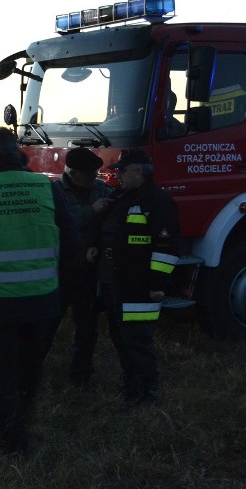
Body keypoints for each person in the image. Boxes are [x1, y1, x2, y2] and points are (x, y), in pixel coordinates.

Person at [0, 127, 78, 457]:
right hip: (43, 302)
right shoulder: (47, 188)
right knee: (30, 366)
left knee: (1, 371)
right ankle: (22, 418)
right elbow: (71, 246)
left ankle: (12, 439)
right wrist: (59, 294)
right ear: (18, 152)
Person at [85, 148, 180, 408]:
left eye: (122, 171)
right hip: (115, 283)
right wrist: (94, 243)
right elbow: (107, 229)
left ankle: (147, 394)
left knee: (138, 340)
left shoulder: (157, 202)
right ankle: (130, 387)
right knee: (120, 337)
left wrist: (157, 286)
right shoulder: (121, 198)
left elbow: (166, 249)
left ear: (138, 172)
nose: (118, 176)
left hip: (138, 286)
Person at [52, 147, 114, 387]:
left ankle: (82, 374)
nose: (93, 179)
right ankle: (31, 367)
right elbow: (62, 227)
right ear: (74, 173)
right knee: (48, 324)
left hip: (89, 270)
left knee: (87, 326)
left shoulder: (99, 189)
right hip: (61, 270)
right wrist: (92, 211)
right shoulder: (55, 192)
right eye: (89, 175)